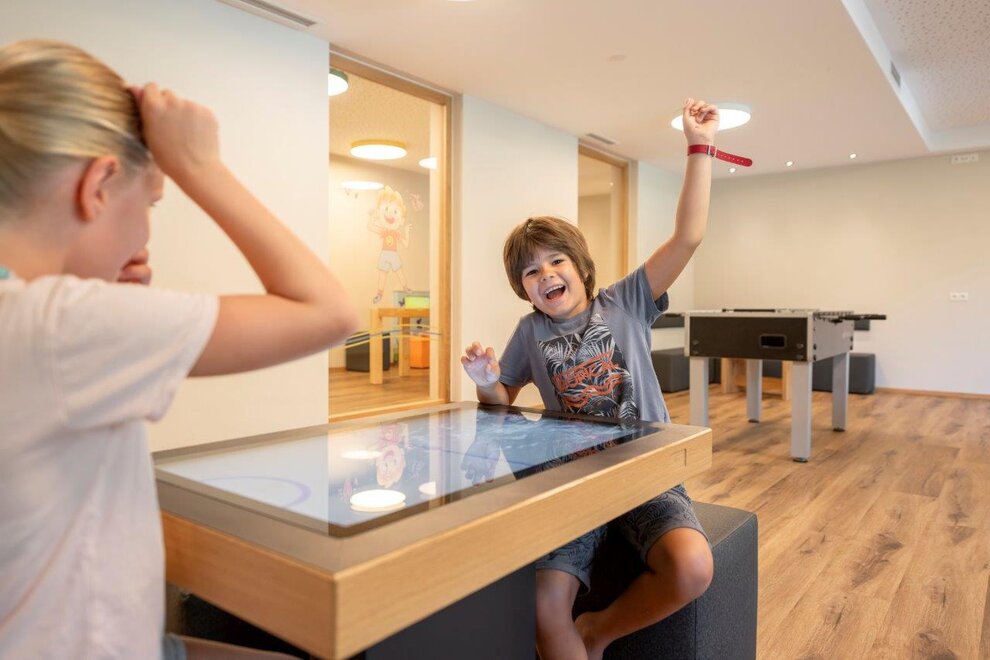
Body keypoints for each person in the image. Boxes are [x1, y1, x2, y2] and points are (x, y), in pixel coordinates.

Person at [0, 39, 359, 658]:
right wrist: (200, 165)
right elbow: (330, 312)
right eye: (151, 204)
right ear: (98, 185)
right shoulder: (59, 327)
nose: (144, 236)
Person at [461, 98, 720, 659]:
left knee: (693, 567)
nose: (546, 274)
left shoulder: (627, 301)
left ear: (580, 266)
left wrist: (699, 147)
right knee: (543, 608)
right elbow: (499, 401)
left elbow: (688, 236)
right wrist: (485, 379)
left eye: (556, 261)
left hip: (646, 476)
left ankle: (597, 632)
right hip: (570, 484)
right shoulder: (529, 332)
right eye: (531, 271)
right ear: (524, 289)